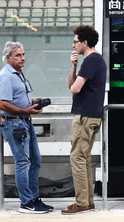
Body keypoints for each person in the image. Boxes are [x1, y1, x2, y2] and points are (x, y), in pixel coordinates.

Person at [0, 41, 53, 213]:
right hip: (14, 123)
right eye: (18, 55)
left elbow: (15, 97)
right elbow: (2, 103)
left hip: (24, 121)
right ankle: (26, 202)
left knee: (35, 160)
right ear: (8, 58)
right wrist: (24, 109)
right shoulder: (6, 76)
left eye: (23, 54)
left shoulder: (18, 73)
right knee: (22, 162)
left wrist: (31, 102)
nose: (22, 58)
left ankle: (34, 198)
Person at [61, 25, 107, 215]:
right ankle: (87, 201)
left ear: (84, 43)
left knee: (77, 158)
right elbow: (71, 84)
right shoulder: (94, 60)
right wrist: (73, 66)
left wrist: (77, 69)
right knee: (84, 159)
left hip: (85, 117)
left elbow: (74, 89)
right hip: (91, 115)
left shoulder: (91, 60)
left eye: (75, 42)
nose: (73, 46)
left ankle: (82, 203)